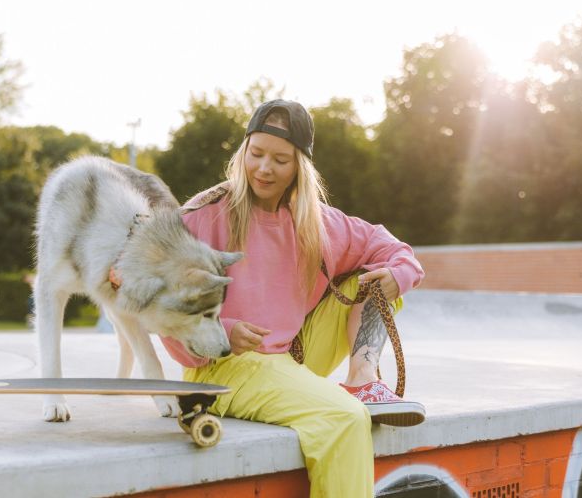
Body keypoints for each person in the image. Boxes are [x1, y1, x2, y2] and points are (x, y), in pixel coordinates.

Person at [161, 99, 425, 497]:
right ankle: (349, 403)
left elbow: (389, 247)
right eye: (257, 154)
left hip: (289, 355)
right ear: (243, 152)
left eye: (280, 160)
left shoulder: (314, 221)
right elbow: (164, 305)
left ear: (298, 166)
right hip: (221, 368)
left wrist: (401, 273)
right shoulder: (206, 215)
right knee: (346, 420)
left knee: (374, 278)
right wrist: (221, 332)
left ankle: (362, 380)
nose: (264, 168)